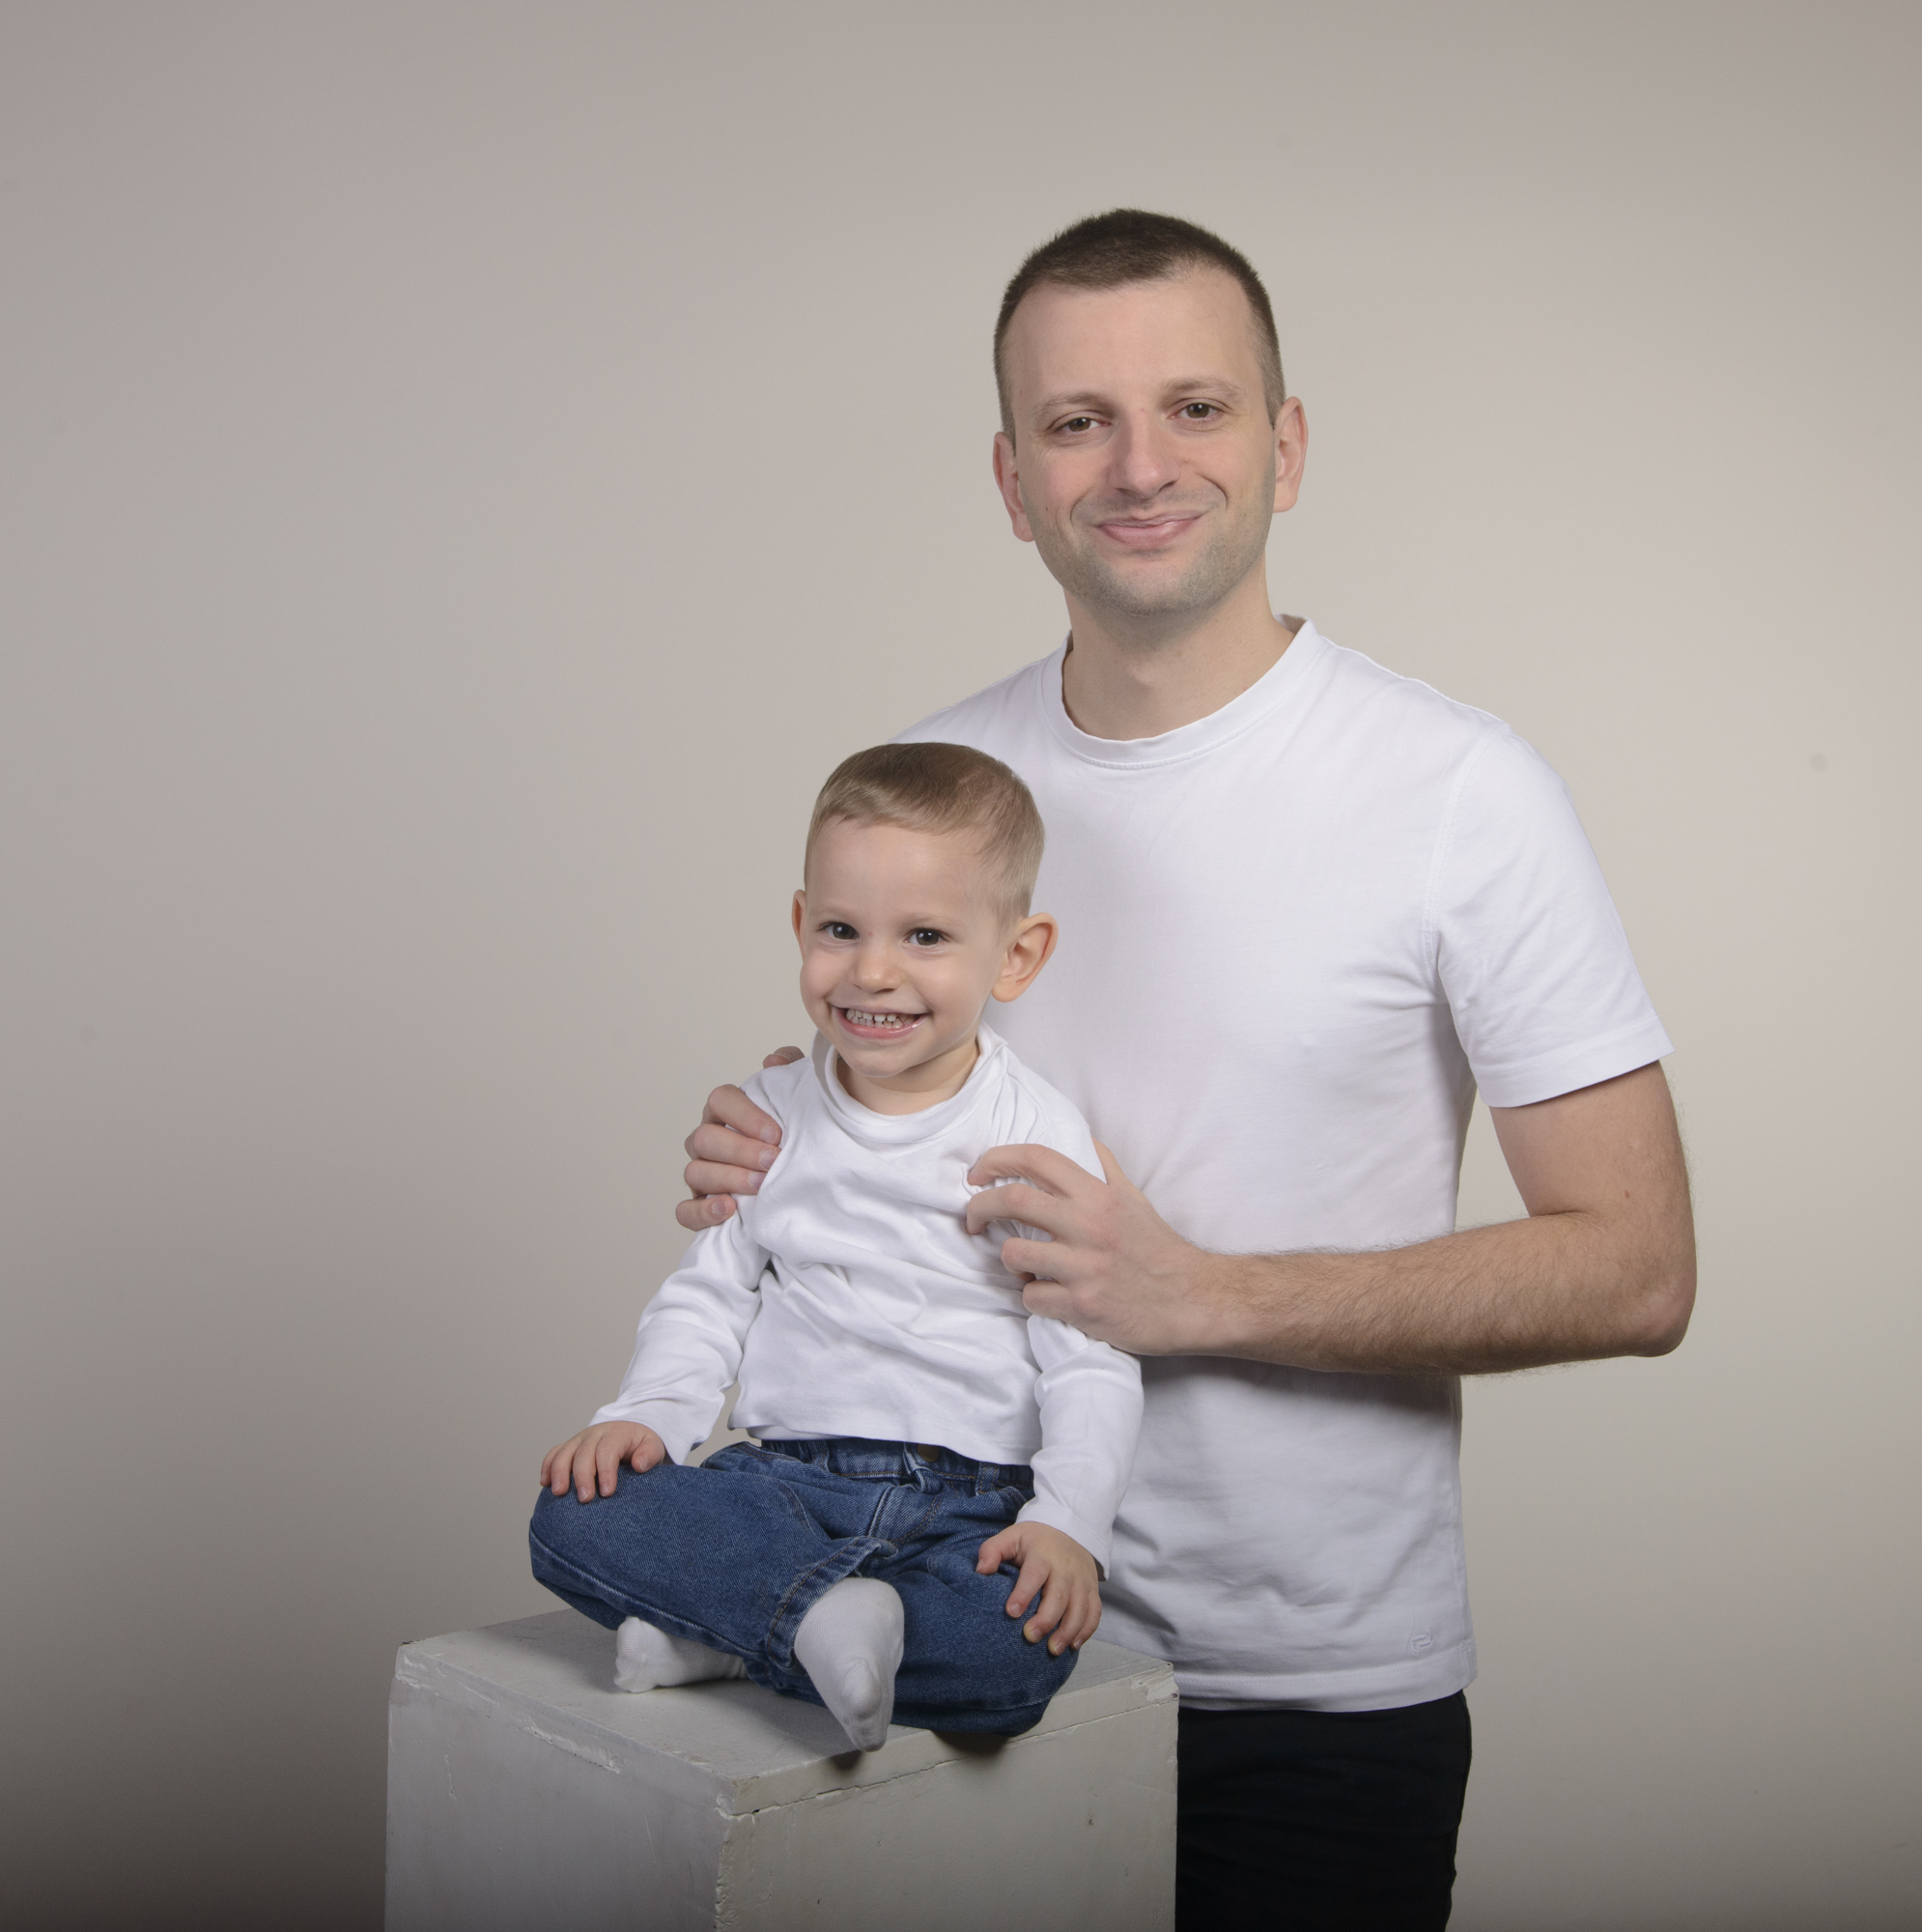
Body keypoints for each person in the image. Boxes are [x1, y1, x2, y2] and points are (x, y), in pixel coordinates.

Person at [675, 211, 1697, 1928]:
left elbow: (1639, 1263)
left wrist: (1202, 1293)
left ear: (1285, 446)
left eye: (1199, 410)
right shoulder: (943, 791)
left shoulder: (1457, 788)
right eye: (1080, 422)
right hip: (942, 1646)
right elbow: (890, 1110)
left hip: (1304, 1701)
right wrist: (780, 1131)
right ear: (1012, 478)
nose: (1140, 465)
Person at [530, 741, 1143, 1751]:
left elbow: (1087, 1350)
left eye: (926, 935)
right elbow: (709, 1295)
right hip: (776, 1486)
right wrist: (647, 1414)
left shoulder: (1034, 1136)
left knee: (1016, 1655)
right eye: (841, 929)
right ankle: (812, 1616)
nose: (872, 970)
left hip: (965, 1499)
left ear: (1015, 954)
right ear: (798, 923)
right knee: (572, 1513)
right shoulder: (770, 1111)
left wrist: (1067, 1520)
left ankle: (738, 1632)